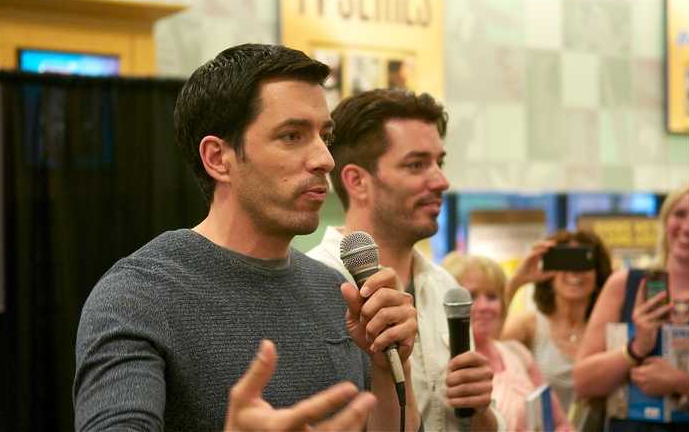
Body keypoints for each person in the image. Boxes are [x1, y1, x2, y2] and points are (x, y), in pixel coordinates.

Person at [73, 44, 420, 432]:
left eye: (325, 135)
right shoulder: (139, 295)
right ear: (218, 158)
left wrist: (388, 370)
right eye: (292, 135)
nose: (325, 159)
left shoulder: (334, 291)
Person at [307, 88, 502, 432]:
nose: (441, 181)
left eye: (438, 163)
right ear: (357, 181)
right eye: (416, 165)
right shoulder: (311, 286)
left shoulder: (445, 287)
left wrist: (481, 409)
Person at [573, 185, 689, 431]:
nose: (688, 227)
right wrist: (636, 348)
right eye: (680, 214)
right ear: (666, 220)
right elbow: (583, 381)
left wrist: (683, 384)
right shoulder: (624, 284)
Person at [446, 254, 574, 432]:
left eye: (492, 297)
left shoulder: (517, 353)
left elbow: (559, 422)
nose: (484, 306)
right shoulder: (444, 363)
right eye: (472, 296)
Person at [500, 229, 613, 414]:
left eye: (582, 263)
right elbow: (486, 344)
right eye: (566, 262)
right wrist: (517, 281)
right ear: (549, 272)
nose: (574, 273)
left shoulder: (610, 329)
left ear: (598, 274)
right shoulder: (529, 326)